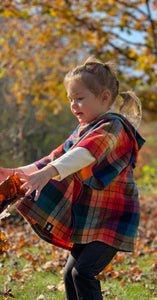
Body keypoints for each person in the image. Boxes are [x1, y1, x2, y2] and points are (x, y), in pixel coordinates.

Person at [0, 56, 145, 300]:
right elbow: (54, 157)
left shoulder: (113, 126)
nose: (73, 105)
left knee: (82, 273)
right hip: (90, 220)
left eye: (80, 98)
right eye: (70, 99)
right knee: (70, 275)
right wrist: (14, 173)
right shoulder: (83, 129)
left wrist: (48, 173)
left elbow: (84, 154)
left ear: (105, 97)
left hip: (112, 219)